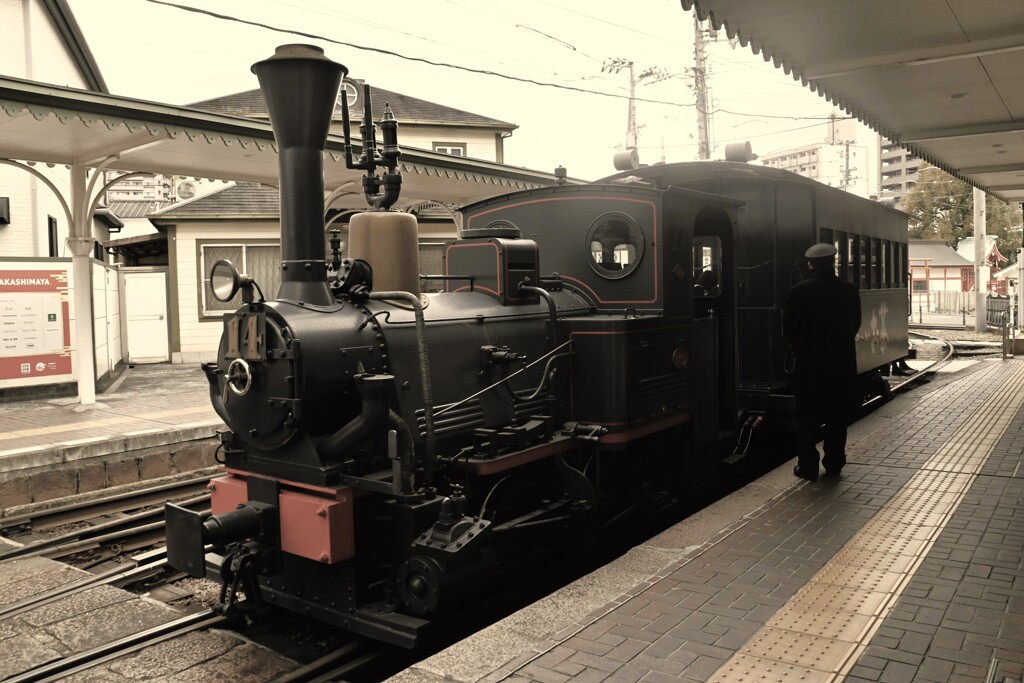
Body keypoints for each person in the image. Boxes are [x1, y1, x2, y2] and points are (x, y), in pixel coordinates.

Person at [783, 243, 861, 481]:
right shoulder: (848, 290)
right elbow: (854, 325)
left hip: (810, 367)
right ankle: (834, 463)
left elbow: (789, 331)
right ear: (833, 263)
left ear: (809, 265)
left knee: (807, 418)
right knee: (837, 417)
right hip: (841, 365)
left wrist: (803, 346)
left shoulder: (798, 291)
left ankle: (808, 467)